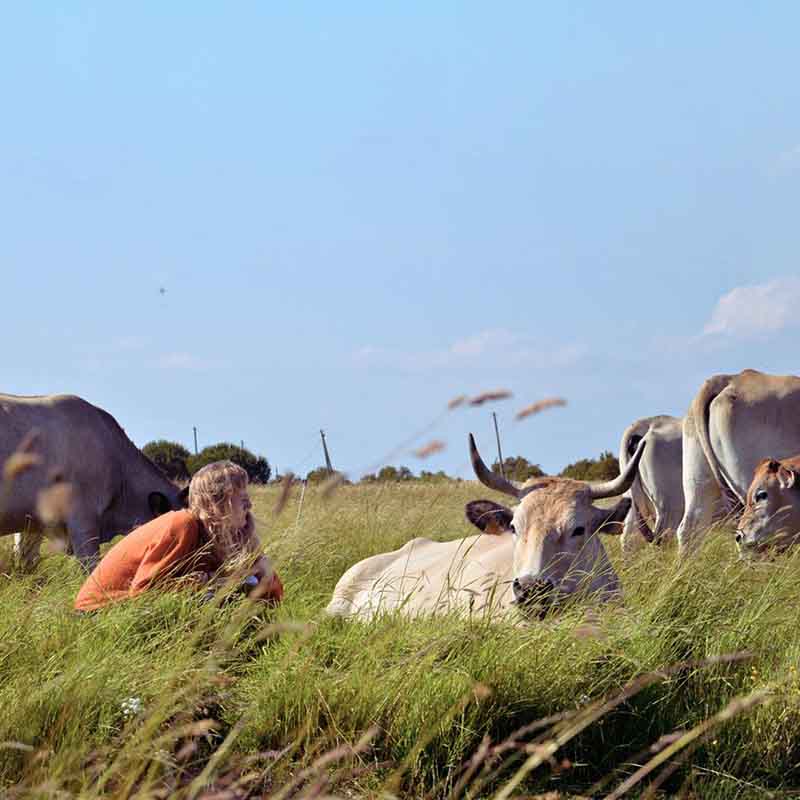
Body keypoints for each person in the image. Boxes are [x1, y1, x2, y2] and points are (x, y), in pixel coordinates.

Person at [74, 460, 283, 612]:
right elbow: (143, 591)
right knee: (215, 601)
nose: (250, 505)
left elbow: (272, 601)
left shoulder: (231, 536)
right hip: (99, 612)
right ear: (215, 503)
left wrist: (266, 574)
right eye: (242, 498)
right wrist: (211, 581)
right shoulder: (183, 525)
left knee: (241, 596)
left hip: (136, 609)